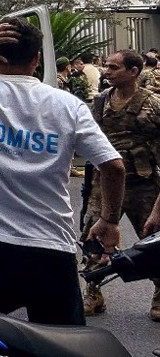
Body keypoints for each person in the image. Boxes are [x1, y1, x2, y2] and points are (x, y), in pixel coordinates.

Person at [0, 17, 126, 326]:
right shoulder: (68, 106)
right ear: (37, 59)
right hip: (48, 246)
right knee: (61, 342)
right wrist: (109, 220)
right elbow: (113, 166)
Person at [80, 50, 160, 321]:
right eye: (106, 66)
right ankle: (93, 290)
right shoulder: (101, 102)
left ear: (133, 71)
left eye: (114, 67)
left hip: (143, 183)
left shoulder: (152, 103)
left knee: (152, 239)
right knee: (92, 237)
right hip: (104, 184)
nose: (106, 71)